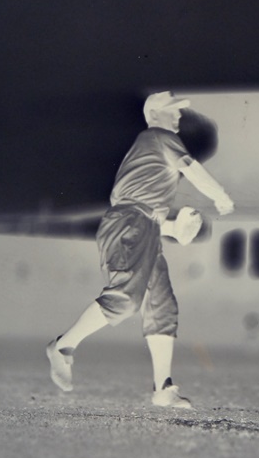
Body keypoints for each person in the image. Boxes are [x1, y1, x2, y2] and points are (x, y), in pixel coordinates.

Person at [46, 90, 235, 409]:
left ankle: (163, 388)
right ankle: (63, 347)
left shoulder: (152, 148)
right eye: (173, 110)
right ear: (156, 115)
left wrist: (176, 229)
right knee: (125, 299)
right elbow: (192, 171)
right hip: (129, 225)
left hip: (141, 225)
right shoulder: (158, 136)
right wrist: (220, 196)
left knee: (162, 305)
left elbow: (148, 212)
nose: (178, 116)